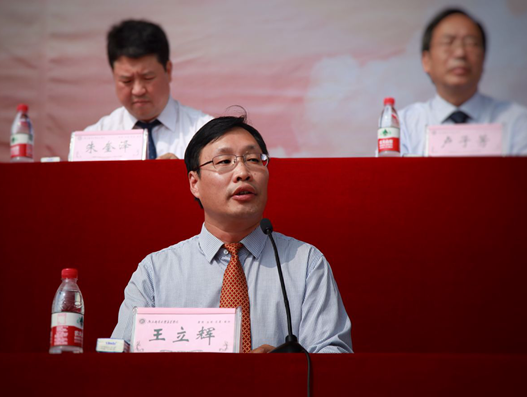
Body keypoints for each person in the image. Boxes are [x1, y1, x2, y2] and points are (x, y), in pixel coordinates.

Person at [111, 115, 353, 353]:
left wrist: (285, 368)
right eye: (225, 161)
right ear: (194, 183)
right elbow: (118, 357)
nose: (243, 172)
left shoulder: (306, 263)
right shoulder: (156, 272)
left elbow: (334, 358)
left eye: (253, 159)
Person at [399, 8, 527, 156]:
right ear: (426, 60)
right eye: (448, 42)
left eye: (471, 43)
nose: (460, 53)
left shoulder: (517, 121)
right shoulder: (404, 125)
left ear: (483, 58)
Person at [84, 20, 212, 159]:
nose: (138, 90)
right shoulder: (92, 140)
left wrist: (180, 171)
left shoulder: (205, 134)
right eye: (126, 81)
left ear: (168, 71)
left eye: (148, 78)